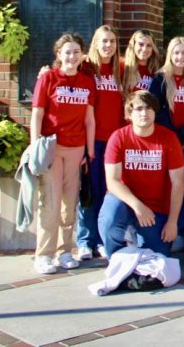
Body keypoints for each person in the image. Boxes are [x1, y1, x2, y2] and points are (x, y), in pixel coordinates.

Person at [30, 33, 96, 274]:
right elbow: (37, 114)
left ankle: (65, 250)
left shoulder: (87, 81)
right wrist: (35, 146)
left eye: (76, 52)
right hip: (51, 148)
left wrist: (89, 152)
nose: (72, 56)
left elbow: (89, 119)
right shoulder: (48, 78)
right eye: (67, 52)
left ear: (82, 55)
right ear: (59, 54)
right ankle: (44, 254)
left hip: (76, 148)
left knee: (70, 202)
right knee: (50, 201)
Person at [99, 91, 184, 257]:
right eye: (138, 109)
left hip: (155, 209)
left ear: (155, 111)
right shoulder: (118, 137)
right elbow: (113, 181)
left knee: (160, 255)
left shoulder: (169, 138)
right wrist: (138, 206)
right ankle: (116, 256)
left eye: (148, 108)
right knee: (110, 215)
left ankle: (136, 236)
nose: (144, 113)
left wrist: (172, 222)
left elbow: (178, 183)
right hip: (125, 202)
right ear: (129, 114)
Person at [148, 36, 184, 250]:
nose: (180, 57)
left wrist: (181, 137)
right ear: (170, 55)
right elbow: (157, 108)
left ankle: (178, 229)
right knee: (164, 183)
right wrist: (173, 137)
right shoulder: (160, 79)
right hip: (165, 139)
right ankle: (159, 227)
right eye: (176, 53)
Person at [76, 25, 124, 261]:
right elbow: (60, 70)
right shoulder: (86, 68)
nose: (108, 46)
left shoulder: (121, 68)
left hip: (114, 143)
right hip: (92, 141)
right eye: (104, 41)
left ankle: (104, 240)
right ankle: (86, 240)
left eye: (112, 41)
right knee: (89, 191)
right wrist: (45, 71)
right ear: (95, 43)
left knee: (109, 193)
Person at [121, 30, 161, 95]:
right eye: (141, 44)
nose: (144, 49)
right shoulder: (123, 66)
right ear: (133, 45)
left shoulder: (156, 70)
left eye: (149, 45)